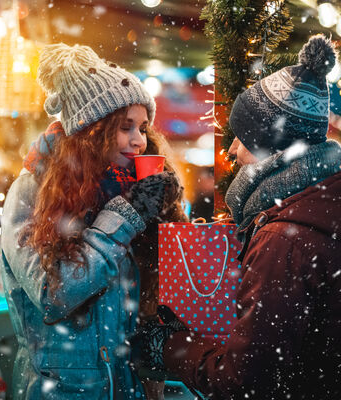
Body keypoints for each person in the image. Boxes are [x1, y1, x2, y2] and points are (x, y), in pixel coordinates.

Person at [130, 35, 341, 399]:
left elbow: (245, 381)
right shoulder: (318, 208)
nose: (231, 150)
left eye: (242, 138)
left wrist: (172, 346)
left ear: (272, 150)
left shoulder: (285, 237)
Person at [0, 43, 187, 400]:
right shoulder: (32, 191)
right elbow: (53, 294)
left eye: (143, 127)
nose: (138, 141)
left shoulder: (125, 188)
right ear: (91, 130)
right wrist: (125, 218)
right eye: (125, 127)